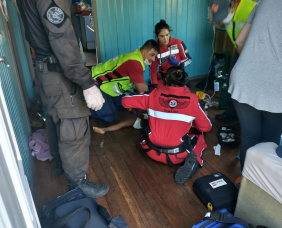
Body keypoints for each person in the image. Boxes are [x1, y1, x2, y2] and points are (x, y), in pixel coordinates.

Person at [17, 0, 108, 198]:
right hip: (59, 73)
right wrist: (87, 83)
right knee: (73, 126)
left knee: (54, 118)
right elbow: (62, 41)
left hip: (44, 71)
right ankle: (77, 185)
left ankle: (60, 164)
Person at [228, 0, 282, 171]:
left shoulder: (265, 2)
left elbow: (240, 42)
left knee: (249, 135)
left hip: (244, 79)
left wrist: (254, 63)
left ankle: (245, 182)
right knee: (270, 139)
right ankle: (260, 188)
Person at [122, 67, 212, 184]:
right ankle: (196, 162)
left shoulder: (152, 95)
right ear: (185, 82)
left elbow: (125, 101)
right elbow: (206, 127)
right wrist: (193, 118)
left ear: (165, 81)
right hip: (177, 156)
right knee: (199, 139)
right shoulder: (194, 100)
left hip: (150, 151)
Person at [208, 0, 256, 122]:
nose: (222, 18)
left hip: (254, 54)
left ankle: (247, 118)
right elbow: (226, 24)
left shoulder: (251, 7)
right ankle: (231, 114)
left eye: (223, 14)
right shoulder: (228, 12)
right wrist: (216, 21)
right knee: (231, 80)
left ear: (233, 3)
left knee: (246, 86)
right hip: (240, 50)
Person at [90, 40, 160, 122]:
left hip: (106, 86)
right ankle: (86, 108)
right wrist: (157, 107)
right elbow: (143, 92)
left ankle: (105, 103)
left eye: (155, 56)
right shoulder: (135, 63)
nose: (153, 59)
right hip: (94, 83)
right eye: (152, 55)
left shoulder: (135, 56)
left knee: (125, 102)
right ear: (144, 51)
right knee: (110, 116)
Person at [150, 20, 192, 89]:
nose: (165, 39)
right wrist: (154, 85)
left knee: (181, 96)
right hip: (164, 77)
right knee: (160, 95)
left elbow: (189, 59)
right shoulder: (155, 49)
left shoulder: (178, 43)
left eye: (167, 35)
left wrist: (179, 63)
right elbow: (153, 70)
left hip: (178, 76)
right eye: (162, 36)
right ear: (156, 36)